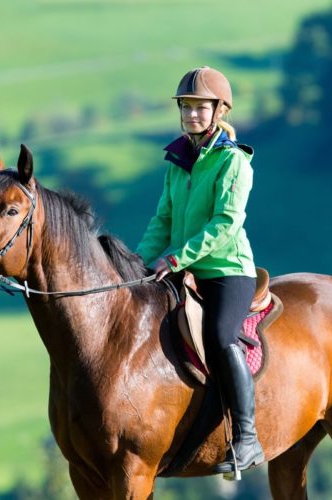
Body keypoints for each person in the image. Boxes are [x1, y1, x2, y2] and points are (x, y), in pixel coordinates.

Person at [135, 66, 264, 474]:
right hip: (184, 266)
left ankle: (247, 438)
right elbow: (162, 219)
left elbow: (225, 225)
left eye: (199, 108)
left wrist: (175, 259)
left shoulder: (234, 162)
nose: (191, 115)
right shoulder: (178, 161)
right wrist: (136, 266)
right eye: (186, 107)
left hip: (227, 269)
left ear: (219, 110)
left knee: (221, 335)